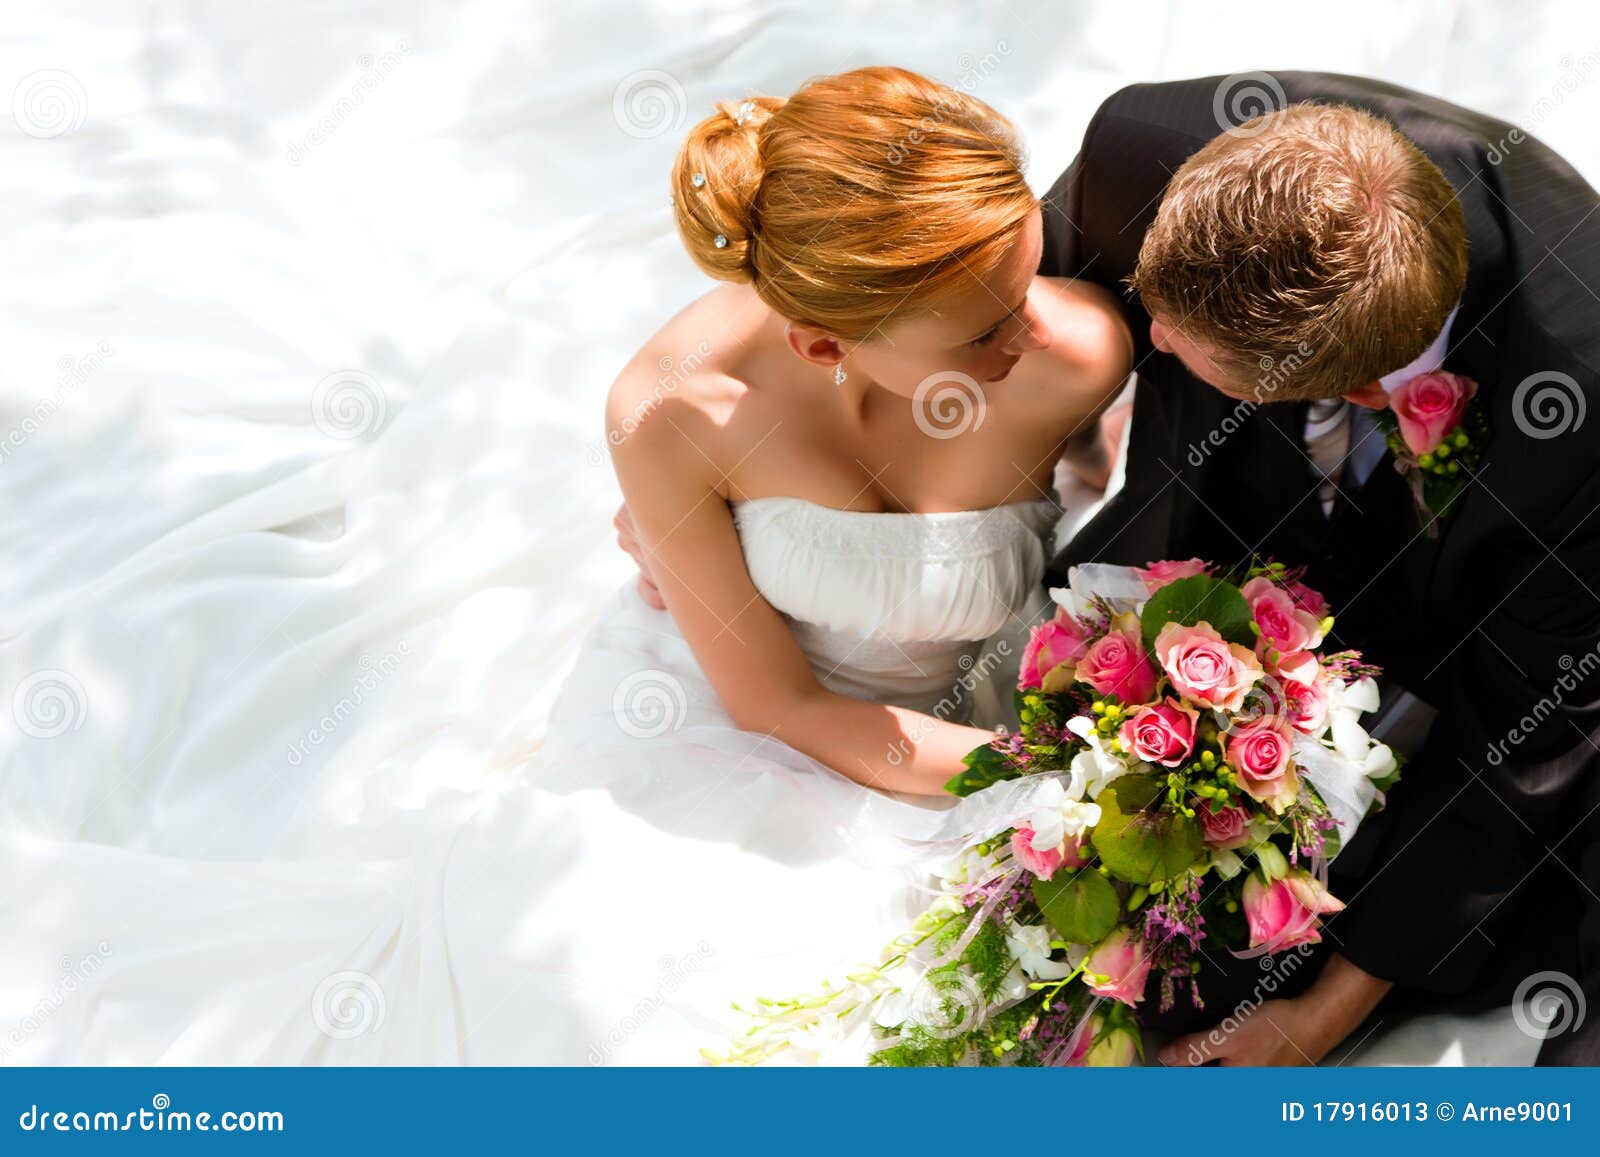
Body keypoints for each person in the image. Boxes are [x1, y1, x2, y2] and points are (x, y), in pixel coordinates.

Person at [1033, 74, 1600, 1066]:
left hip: (1461, 632)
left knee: (1222, 962)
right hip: (1211, 542)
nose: (1145, 338)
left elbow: (1526, 728)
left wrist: (1316, 1016)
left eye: (1174, 342)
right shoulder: (1144, 147)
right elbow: (998, 300)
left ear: (1345, 388)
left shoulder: (1578, 400)